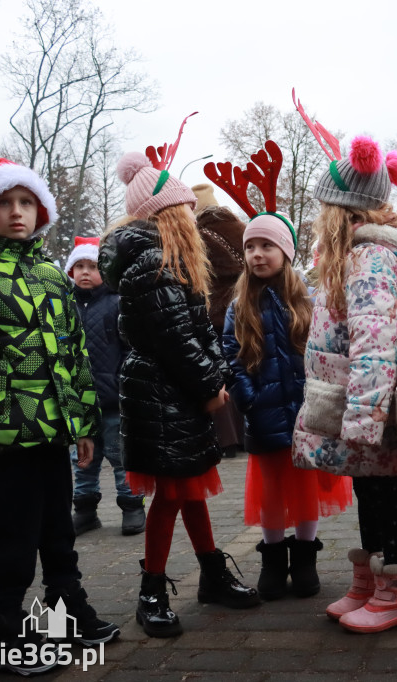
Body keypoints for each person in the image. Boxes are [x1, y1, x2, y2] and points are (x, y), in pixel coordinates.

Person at [0, 158, 119, 674]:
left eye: (27, 202)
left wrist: (82, 425)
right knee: (7, 537)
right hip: (1, 440)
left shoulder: (52, 276)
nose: (17, 212)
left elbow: (73, 355)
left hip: (51, 435)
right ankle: (4, 630)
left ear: (41, 211)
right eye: (5, 202)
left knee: (58, 532)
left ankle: (65, 610)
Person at [99, 148, 259, 638]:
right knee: (171, 496)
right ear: (168, 215)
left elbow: (197, 330)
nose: (193, 217)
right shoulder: (155, 266)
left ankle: (211, 573)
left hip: (172, 394)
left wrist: (216, 374)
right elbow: (176, 339)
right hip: (163, 397)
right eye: (186, 209)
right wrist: (211, 386)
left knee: (190, 490)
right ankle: (151, 592)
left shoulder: (168, 263)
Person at [290, 125, 397, 634]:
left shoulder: (370, 257)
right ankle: (370, 580)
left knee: (383, 493)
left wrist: (366, 415)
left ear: (344, 211)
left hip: (366, 403)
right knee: (369, 490)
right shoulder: (354, 254)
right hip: (351, 399)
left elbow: (375, 339)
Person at [210, 140, 351, 601]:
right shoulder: (240, 304)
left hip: (307, 414)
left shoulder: (306, 300)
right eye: (250, 246)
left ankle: (305, 558)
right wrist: (248, 398)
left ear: (285, 251)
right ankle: (273, 558)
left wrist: (321, 395)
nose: (257, 254)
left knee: (306, 490)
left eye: (266, 245)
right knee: (270, 495)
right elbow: (231, 354)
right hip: (265, 413)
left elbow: (323, 347)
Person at [64, 235, 146, 536]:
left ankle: (132, 506)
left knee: (120, 456)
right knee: (83, 460)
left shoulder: (117, 302)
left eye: (93, 266)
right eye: (80, 266)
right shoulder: (65, 306)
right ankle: (85, 510)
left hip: (113, 400)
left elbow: (130, 347)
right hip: (78, 402)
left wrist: (123, 381)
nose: (85, 272)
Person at [195, 195, 248, 460]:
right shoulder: (239, 228)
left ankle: (227, 439)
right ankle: (244, 435)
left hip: (212, 313)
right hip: (240, 308)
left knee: (218, 376)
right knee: (239, 371)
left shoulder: (199, 235)